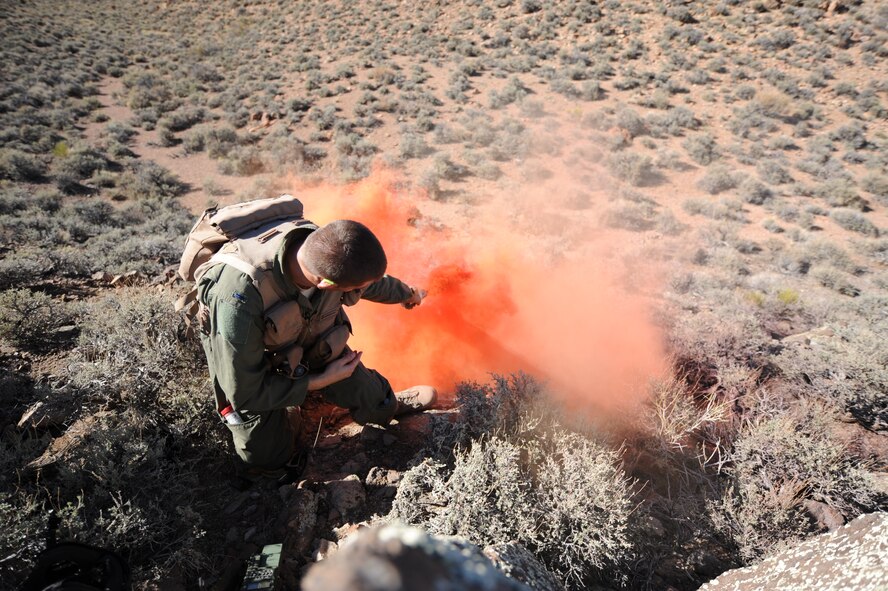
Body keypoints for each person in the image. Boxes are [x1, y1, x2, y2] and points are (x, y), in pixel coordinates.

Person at [195, 217, 436, 483]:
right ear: (327, 285)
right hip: (256, 368)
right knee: (268, 462)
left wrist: (407, 293)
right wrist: (320, 381)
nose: (360, 292)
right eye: (355, 290)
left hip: (310, 343)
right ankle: (289, 415)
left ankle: (381, 403)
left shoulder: (323, 249)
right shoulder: (237, 298)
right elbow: (245, 393)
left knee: (378, 405)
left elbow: (369, 281)